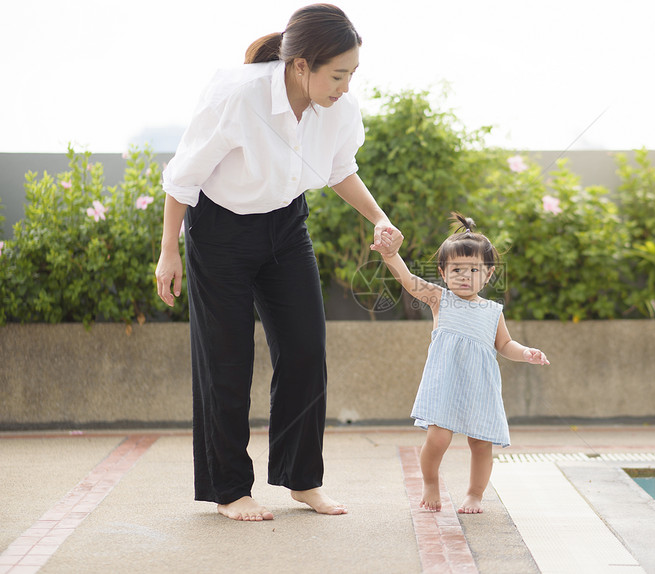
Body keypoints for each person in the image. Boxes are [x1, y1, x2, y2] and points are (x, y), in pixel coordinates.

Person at [155, 4, 402, 522]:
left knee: (306, 348)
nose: (346, 87)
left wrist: (379, 218)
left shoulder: (339, 109)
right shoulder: (238, 94)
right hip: (220, 229)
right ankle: (229, 490)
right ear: (300, 66)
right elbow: (183, 175)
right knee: (226, 361)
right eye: (338, 75)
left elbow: (340, 169)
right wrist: (169, 250)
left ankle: (301, 479)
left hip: (286, 226)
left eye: (353, 74)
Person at [371, 214, 549, 514]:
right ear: (442, 272)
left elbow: (504, 345)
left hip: (480, 387)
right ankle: (430, 481)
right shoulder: (441, 299)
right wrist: (391, 255)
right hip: (446, 384)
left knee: (481, 444)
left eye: (473, 270)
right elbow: (408, 281)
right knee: (437, 439)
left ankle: (475, 494)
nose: (464, 275)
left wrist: (525, 353)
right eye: (456, 269)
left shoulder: (493, 311)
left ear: (488, 274)